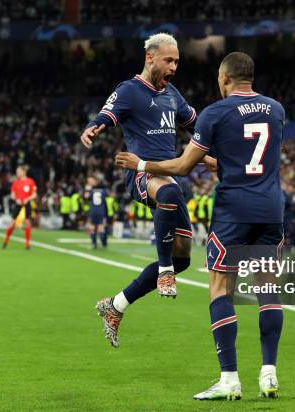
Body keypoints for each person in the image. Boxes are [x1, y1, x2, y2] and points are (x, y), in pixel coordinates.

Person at [116, 52, 285, 400]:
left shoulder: (215, 113)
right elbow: (251, 158)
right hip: (270, 208)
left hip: (233, 211)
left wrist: (141, 162)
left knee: (221, 288)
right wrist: (221, 163)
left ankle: (229, 379)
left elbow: (180, 168)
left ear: (224, 78)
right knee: (267, 286)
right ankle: (269, 372)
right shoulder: (276, 109)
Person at [80, 33, 215, 348]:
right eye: (169, 60)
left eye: (177, 61)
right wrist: (94, 127)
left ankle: (115, 306)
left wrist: (208, 156)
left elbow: (194, 126)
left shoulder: (172, 95)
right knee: (168, 198)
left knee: (183, 257)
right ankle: (164, 270)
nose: (173, 67)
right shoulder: (129, 90)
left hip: (167, 177)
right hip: (140, 173)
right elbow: (106, 115)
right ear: (150, 57)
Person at [2, 165, 37, 250]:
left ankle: (27, 244)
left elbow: (34, 194)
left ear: (23, 172)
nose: (17, 173)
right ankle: (5, 242)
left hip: (27, 203)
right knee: (12, 223)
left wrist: (27, 199)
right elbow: (12, 194)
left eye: (18, 171)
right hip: (18, 204)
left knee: (27, 222)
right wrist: (16, 199)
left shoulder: (30, 181)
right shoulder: (16, 182)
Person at [84, 176, 108, 249]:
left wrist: (87, 190)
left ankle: (94, 244)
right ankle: (103, 243)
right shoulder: (103, 190)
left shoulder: (90, 190)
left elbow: (86, 197)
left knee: (92, 227)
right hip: (101, 211)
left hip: (93, 211)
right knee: (101, 227)